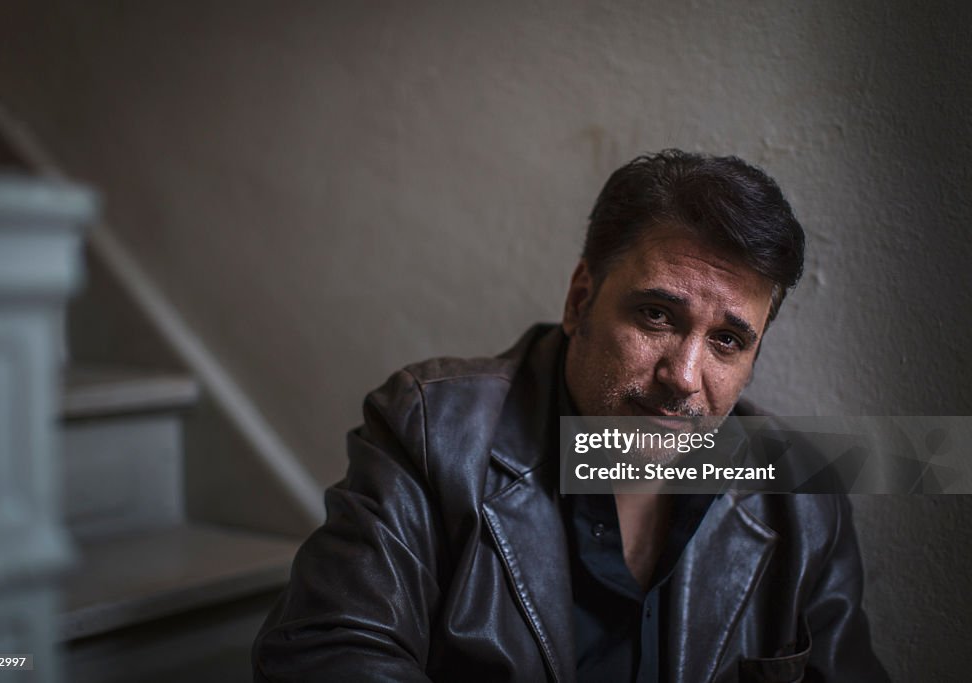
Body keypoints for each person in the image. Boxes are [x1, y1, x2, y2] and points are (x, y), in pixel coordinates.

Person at [253, 150, 890, 682]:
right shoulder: (429, 429)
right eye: (656, 315)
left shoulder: (804, 494)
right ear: (581, 301)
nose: (684, 377)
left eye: (728, 340)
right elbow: (325, 652)